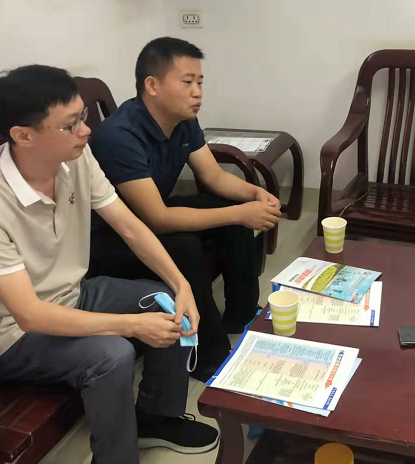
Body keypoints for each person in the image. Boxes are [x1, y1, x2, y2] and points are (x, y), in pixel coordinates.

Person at [0, 65, 220, 464]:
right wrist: (130, 326)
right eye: (71, 124)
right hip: (12, 333)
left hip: (72, 294)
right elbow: (29, 314)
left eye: (83, 116)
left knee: (165, 301)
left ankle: (156, 418)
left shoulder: (75, 157)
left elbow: (129, 226)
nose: (86, 130)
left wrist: (182, 285)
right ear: (23, 135)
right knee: (112, 354)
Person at [89, 37, 280, 380]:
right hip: (110, 236)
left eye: (200, 82)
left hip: (151, 213)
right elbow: (157, 219)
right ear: (152, 85)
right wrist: (240, 213)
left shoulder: (182, 118)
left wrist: (254, 194)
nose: (197, 92)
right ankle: (208, 357)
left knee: (235, 208)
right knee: (183, 244)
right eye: (188, 82)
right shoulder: (119, 135)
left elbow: (213, 176)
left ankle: (240, 315)